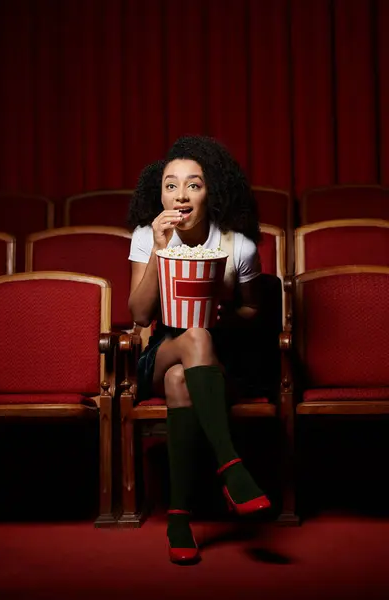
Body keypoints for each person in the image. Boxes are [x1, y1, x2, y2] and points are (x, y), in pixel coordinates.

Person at [127, 136, 271, 565]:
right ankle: (231, 467)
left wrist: (228, 309)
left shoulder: (237, 245)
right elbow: (137, 313)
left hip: (219, 362)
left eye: (194, 184)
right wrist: (158, 247)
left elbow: (253, 311)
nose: (181, 194)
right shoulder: (145, 236)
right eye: (171, 185)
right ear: (160, 193)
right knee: (192, 340)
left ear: (213, 192)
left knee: (182, 378)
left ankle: (178, 518)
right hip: (161, 350)